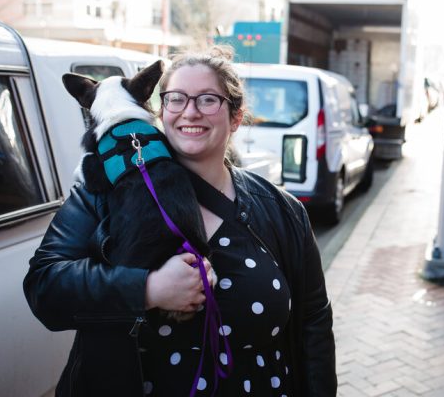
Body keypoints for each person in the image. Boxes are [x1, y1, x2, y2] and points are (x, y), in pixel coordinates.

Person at [23, 46, 337, 396]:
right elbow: (44, 288)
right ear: (160, 112)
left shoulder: (282, 210)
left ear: (235, 117)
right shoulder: (105, 186)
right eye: (175, 99)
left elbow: (314, 323)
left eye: (207, 100)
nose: (190, 111)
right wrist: (148, 288)